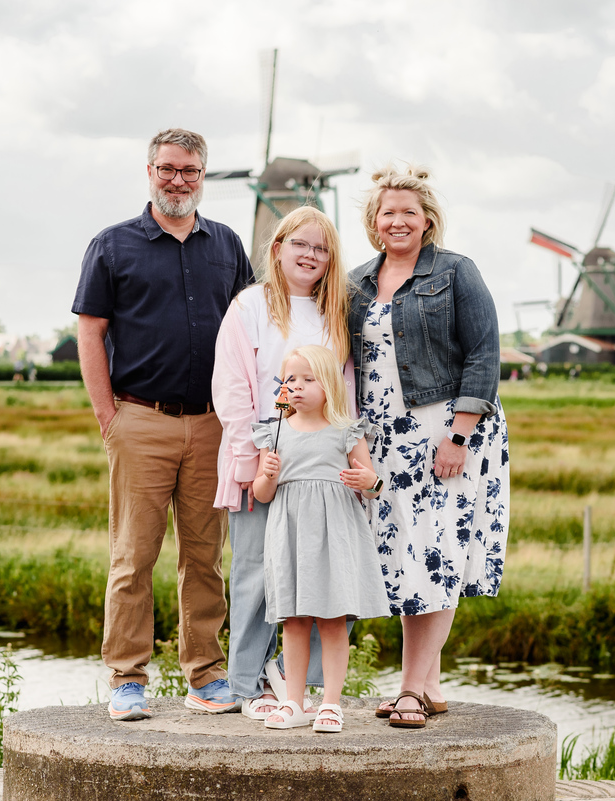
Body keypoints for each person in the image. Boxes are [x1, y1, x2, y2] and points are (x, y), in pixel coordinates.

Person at [72, 128, 254, 721]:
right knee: (134, 556)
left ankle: (205, 674)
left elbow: (251, 326)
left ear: (205, 175)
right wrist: (109, 416)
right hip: (140, 420)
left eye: (191, 170)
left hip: (212, 427)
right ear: (149, 170)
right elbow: (91, 331)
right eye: (169, 169)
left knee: (205, 557)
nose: (179, 180)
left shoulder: (225, 244)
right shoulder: (113, 245)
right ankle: (127, 678)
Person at [348, 164, 510, 728]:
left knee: (437, 553)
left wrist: (459, 435)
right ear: (374, 221)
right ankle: (431, 684)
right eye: (387, 212)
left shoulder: (456, 272)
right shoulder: (357, 282)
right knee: (407, 558)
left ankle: (412, 689)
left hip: (446, 429)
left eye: (408, 213)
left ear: (427, 221)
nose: (398, 221)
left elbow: (485, 354)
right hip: (385, 435)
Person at [211, 206, 352, 719]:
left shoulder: (335, 312)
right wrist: (248, 457)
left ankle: (297, 678)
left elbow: (345, 389)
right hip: (264, 459)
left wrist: (350, 456)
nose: (311, 255)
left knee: (329, 573)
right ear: (278, 249)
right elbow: (232, 386)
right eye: (301, 244)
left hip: (321, 467)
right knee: (255, 572)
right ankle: (247, 683)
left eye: (321, 248)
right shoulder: (251, 306)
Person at [248, 345, 390, 732]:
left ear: (328, 384)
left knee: (331, 620)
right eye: (290, 379)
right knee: (293, 621)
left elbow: (373, 484)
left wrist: (369, 482)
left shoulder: (345, 430)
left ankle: (330, 703)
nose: (296, 387)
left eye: (308, 379)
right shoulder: (275, 431)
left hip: (333, 536)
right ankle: (293, 701)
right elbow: (262, 493)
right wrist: (269, 475)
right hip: (291, 534)